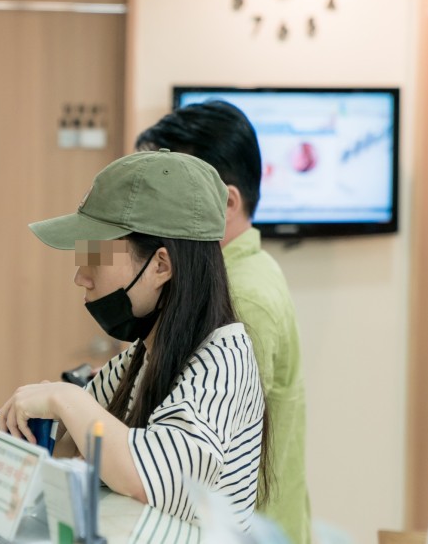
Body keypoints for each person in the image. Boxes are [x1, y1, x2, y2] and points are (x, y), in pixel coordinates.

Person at [0, 148, 269, 529]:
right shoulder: (141, 356)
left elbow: (154, 476)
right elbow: (71, 448)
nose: (81, 276)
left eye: (96, 256)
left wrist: (64, 398)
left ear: (161, 265)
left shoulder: (225, 361)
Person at [136, 101, 311, 543]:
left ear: (227, 202)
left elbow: (204, 454)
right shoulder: (244, 275)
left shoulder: (243, 297)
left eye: (170, 194)